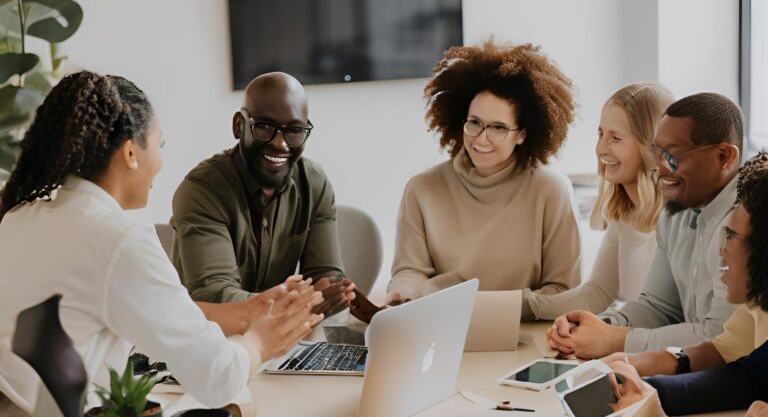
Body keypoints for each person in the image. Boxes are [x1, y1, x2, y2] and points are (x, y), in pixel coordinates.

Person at [0, 72, 322, 413]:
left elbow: (144, 308)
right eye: (160, 144)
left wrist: (246, 314)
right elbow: (218, 378)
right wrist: (261, 341)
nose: (162, 161)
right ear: (130, 153)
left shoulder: (18, 218)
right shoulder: (119, 240)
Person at [386, 41, 581, 317]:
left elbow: (562, 290)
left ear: (522, 134)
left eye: (498, 128)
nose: (481, 139)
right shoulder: (422, 189)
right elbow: (410, 270)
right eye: (474, 123)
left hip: (524, 334)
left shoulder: (551, 190)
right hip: (443, 327)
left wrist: (487, 309)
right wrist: (403, 294)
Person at [547, 92, 743, 357]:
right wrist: (601, 325)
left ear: (724, 157)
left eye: (673, 156)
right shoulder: (675, 212)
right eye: (658, 153)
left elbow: (720, 337)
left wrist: (617, 340)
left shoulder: (747, 222)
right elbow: (659, 307)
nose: (659, 167)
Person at [171, 72, 355, 317]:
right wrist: (297, 304)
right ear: (239, 125)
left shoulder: (314, 183)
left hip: (278, 338)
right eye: (265, 127)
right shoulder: (202, 190)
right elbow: (215, 296)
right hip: (207, 339)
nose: (280, 143)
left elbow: (326, 277)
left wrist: (334, 291)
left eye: (295, 130)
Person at [600, 151, 768, 415]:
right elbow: (746, 373)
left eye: (731, 236)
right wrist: (648, 387)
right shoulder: (759, 304)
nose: (720, 249)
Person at [529, 82, 673, 319]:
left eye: (615, 138)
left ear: (651, 146)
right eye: (600, 134)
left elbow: (666, 318)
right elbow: (596, 292)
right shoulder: (624, 216)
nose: (601, 149)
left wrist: (607, 331)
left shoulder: (680, 221)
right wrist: (527, 307)